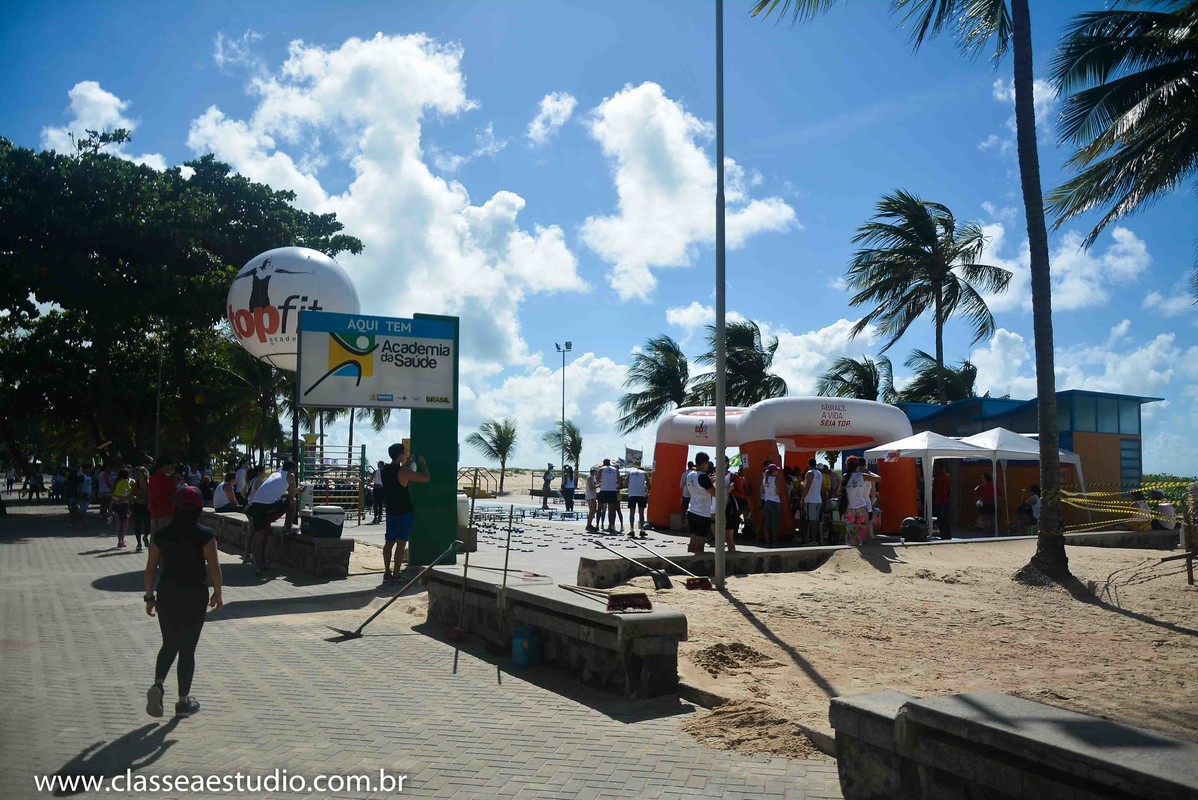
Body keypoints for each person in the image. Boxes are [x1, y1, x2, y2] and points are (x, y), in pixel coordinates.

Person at [143, 486, 223, 718]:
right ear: (199, 508)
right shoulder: (206, 535)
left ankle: (157, 685)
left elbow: (149, 571)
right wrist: (218, 593)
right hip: (194, 596)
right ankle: (182, 702)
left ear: (176, 506)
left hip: (167, 594)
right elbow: (215, 568)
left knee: (169, 643)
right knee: (187, 650)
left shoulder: (161, 535)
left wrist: (149, 597)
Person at [380, 443, 430, 583]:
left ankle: (387, 572)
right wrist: (423, 464)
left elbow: (395, 474)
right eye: (404, 453)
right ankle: (396, 574)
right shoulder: (404, 472)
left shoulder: (385, 470)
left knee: (389, 542)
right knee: (401, 543)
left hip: (391, 510)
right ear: (400, 455)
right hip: (404, 510)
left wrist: (408, 463)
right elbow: (425, 478)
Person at [243, 461, 297, 576]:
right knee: (293, 502)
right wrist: (295, 490)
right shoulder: (290, 476)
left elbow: (272, 492)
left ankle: (259, 567)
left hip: (255, 506)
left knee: (260, 536)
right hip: (268, 507)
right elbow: (291, 496)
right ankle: (287, 528)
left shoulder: (274, 474)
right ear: (292, 469)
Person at [842, 456, 880, 546]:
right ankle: (863, 546)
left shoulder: (845, 476)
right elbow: (879, 478)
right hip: (862, 507)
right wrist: (869, 472)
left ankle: (852, 548)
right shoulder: (863, 476)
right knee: (862, 530)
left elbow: (839, 491)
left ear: (847, 465)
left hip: (849, 508)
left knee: (850, 530)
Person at [685, 452, 716, 554]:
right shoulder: (703, 477)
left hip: (691, 509)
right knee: (701, 541)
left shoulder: (689, 475)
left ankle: (689, 560)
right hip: (702, 512)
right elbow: (714, 493)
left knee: (692, 540)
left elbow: (699, 487)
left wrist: (709, 482)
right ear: (704, 463)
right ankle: (698, 564)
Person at [149, 458, 177, 536]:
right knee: (166, 537)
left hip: (154, 511)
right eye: (169, 466)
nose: (170, 468)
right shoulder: (166, 479)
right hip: (165, 510)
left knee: (154, 537)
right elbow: (175, 492)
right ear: (164, 465)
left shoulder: (152, 478)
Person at [801, 458, 825, 545]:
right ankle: (816, 538)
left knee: (812, 520)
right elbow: (823, 487)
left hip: (810, 499)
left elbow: (807, 486)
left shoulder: (810, 473)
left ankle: (813, 539)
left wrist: (802, 498)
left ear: (808, 464)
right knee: (816, 520)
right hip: (818, 499)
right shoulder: (820, 474)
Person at [760, 463, 783, 546]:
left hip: (767, 501)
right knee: (775, 523)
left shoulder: (765, 479)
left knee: (767, 522)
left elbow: (761, 491)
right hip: (775, 502)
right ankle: (775, 541)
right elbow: (778, 492)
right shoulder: (775, 480)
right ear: (773, 471)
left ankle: (768, 540)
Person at [111, 467, 133, 548]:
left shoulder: (116, 482)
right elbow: (129, 493)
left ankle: (119, 540)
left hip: (116, 504)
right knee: (124, 524)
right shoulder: (126, 482)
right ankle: (122, 539)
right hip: (125, 504)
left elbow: (113, 494)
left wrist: (117, 500)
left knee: (118, 523)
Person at [130, 466, 151, 552]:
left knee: (148, 526)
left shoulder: (149, 483)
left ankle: (145, 537)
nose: (138, 475)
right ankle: (139, 543)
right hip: (137, 506)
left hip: (147, 506)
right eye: (137, 473)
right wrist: (135, 498)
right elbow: (131, 495)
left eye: (140, 473)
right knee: (137, 526)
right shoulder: (135, 484)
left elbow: (152, 495)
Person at [626, 463, 650, 535]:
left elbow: (625, 483)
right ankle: (642, 530)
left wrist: (631, 488)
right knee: (641, 513)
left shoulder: (630, 472)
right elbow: (649, 484)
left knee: (632, 513)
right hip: (641, 494)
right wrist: (647, 492)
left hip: (632, 494)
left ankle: (632, 529)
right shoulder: (644, 473)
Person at [598, 458, 620, 533]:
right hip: (612, 491)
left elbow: (597, 479)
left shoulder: (601, 469)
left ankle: (598, 525)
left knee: (600, 508)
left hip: (604, 490)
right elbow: (619, 480)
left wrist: (603, 481)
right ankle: (612, 525)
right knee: (612, 509)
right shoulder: (615, 469)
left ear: (604, 463)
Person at [933, 462, 952, 541]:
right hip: (945, 499)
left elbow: (937, 487)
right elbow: (949, 488)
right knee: (945, 518)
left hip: (940, 499)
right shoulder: (947, 476)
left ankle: (943, 535)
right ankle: (948, 535)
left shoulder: (940, 477)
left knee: (941, 518)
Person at [584, 467, 600, 532]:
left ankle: (590, 524)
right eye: (596, 472)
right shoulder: (590, 477)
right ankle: (588, 524)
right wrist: (598, 486)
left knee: (593, 510)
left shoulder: (593, 478)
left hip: (593, 496)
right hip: (590, 496)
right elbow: (591, 487)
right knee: (591, 510)